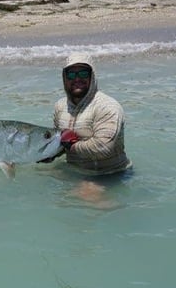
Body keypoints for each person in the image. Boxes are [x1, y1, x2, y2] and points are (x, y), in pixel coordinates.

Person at [49, 53, 132, 205]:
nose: (77, 79)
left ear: (92, 76)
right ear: (64, 78)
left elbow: (103, 147)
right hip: (73, 170)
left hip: (107, 175)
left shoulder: (107, 106)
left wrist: (71, 146)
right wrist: (49, 153)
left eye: (83, 73)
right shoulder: (60, 107)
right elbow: (57, 141)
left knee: (88, 209)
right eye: (71, 74)